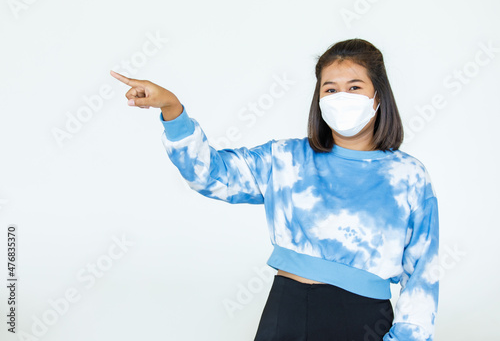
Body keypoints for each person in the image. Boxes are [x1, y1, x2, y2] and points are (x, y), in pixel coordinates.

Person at [110, 38, 439, 341]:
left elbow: (422, 272)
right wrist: (172, 109)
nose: (342, 98)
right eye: (331, 89)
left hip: (362, 320)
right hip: (287, 312)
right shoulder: (286, 159)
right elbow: (208, 174)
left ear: (378, 96)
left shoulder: (407, 175)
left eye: (354, 87)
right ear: (319, 98)